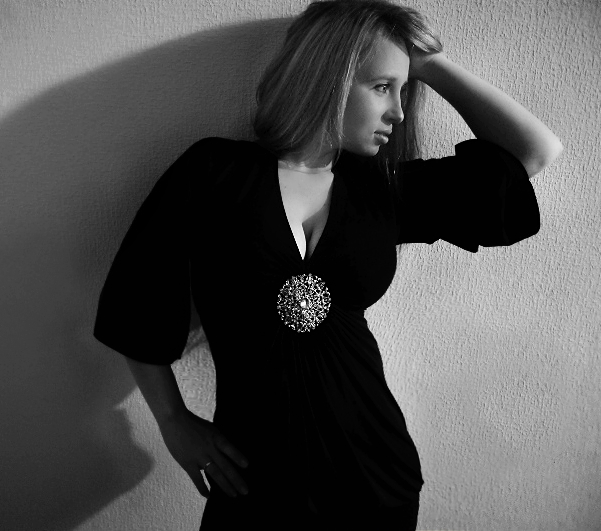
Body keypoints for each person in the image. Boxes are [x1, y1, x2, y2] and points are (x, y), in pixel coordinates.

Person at [94, 0, 562, 528]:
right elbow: (136, 301)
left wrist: (426, 62)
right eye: (382, 87)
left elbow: (535, 151)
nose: (399, 112)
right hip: (252, 479)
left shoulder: (383, 193)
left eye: (403, 90)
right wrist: (172, 420)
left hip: (375, 477)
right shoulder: (214, 173)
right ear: (329, 76)